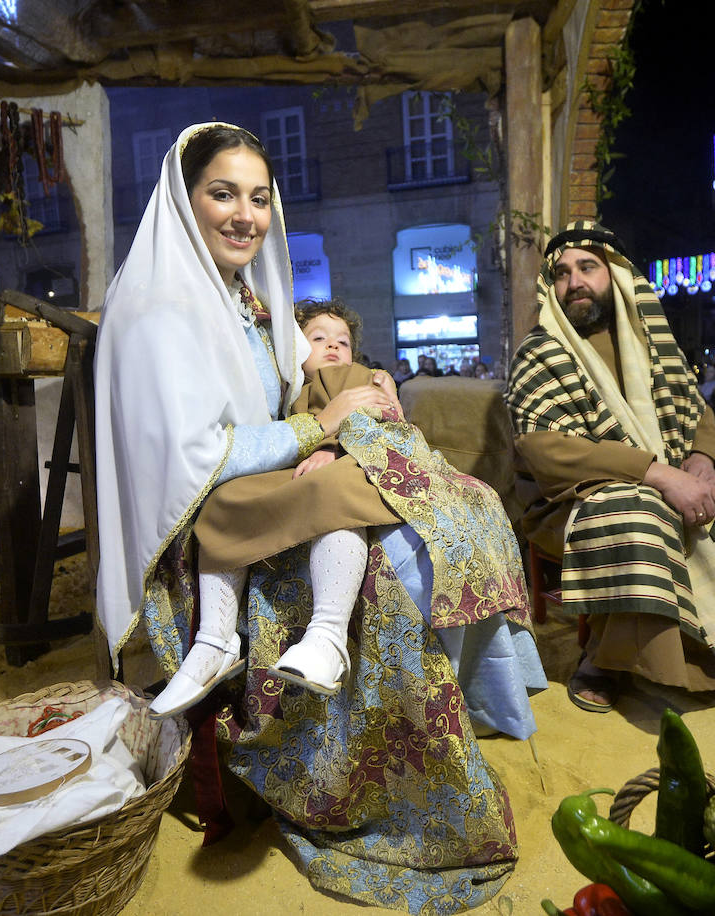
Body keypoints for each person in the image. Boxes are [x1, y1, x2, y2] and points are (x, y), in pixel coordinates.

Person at [94, 123, 541, 912]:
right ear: (184, 200)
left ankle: (467, 700)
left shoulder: (241, 297)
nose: (245, 215)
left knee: (449, 503)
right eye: (222, 194)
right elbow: (201, 462)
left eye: (259, 198)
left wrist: (355, 401)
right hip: (204, 516)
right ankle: (304, 700)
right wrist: (319, 431)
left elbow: (310, 376)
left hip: (266, 473)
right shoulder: (162, 309)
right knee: (385, 534)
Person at [505, 221, 715, 709]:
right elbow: (545, 450)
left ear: (617, 276)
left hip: (667, 478)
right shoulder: (540, 352)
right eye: (563, 273)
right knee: (637, 515)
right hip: (568, 500)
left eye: (588, 267)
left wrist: (700, 463)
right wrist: (661, 475)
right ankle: (605, 663)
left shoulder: (652, 344)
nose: (575, 282)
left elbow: (701, 414)